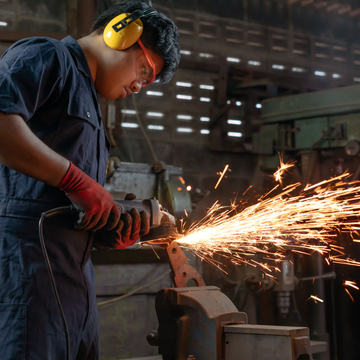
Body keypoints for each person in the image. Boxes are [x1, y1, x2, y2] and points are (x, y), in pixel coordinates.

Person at [0, 0, 180, 359]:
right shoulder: (48, 57)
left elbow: (57, 201)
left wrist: (104, 231)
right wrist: (79, 182)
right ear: (121, 33)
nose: (140, 86)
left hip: (74, 292)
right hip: (26, 280)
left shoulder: (91, 108)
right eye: (145, 71)